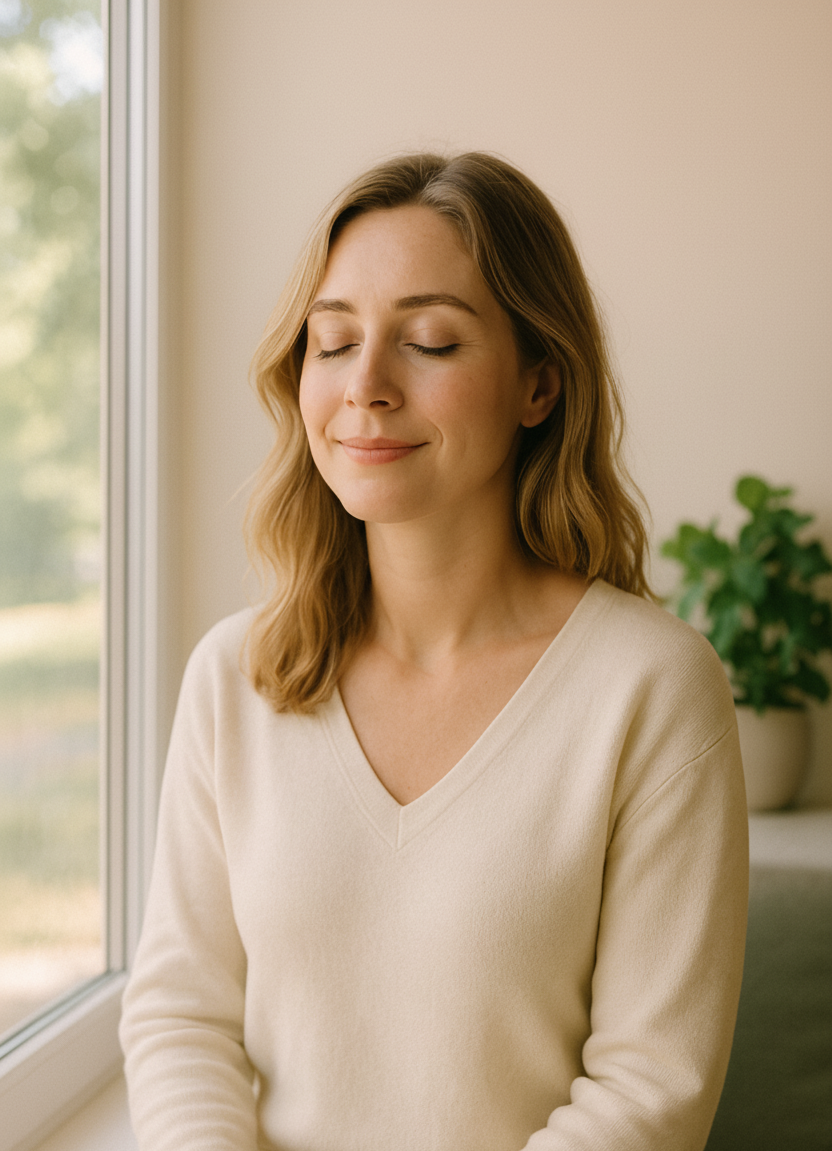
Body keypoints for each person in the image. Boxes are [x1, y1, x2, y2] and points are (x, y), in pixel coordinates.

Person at [120, 152, 748, 1151]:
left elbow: (649, 1087)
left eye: (429, 341)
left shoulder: (651, 688)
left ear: (539, 382)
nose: (365, 385)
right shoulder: (234, 677)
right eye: (332, 341)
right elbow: (179, 1016)